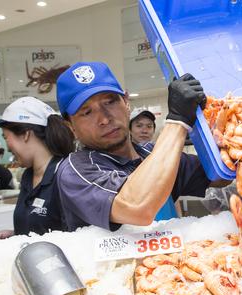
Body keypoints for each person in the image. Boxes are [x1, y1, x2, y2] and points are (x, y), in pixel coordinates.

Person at [55, 62, 212, 231]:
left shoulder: (152, 153)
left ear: (126, 102)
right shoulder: (75, 170)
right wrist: (178, 121)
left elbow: (220, 175)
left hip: (171, 257)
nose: (105, 119)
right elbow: (137, 207)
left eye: (110, 102)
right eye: (87, 112)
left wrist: (207, 124)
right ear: (71, 127)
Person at [0, 97, 75, 239]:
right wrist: (17, 235)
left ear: (26, 134)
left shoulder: (65, 175)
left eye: (6, 137)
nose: (7, 148)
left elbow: (77, 235)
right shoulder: (28, 176)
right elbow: (41, 227)